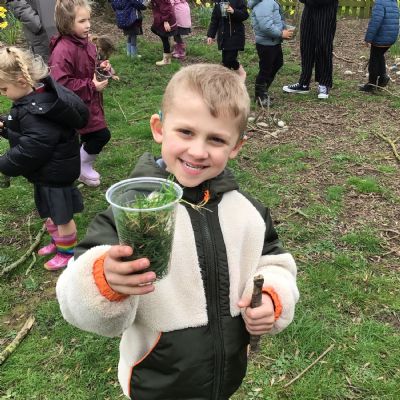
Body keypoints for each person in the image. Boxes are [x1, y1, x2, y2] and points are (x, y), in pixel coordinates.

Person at [56, 64, 299, 399]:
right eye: (186, 132)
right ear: (159, 128)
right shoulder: (132, 211)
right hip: (155, 380)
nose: (198, 151)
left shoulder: (248, 212)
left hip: (225, 376)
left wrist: (271, 296)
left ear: (236, 146)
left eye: (216, 139)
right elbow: (74, 297)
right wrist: (104, 280)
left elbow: (272, 261)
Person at [0, 47, 88, 270]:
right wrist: (6, 127)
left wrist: (5, 163)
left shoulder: (38, 111)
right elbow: (25, 131)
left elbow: (33, 147)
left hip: (56, 174)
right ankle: (57, 242)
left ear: (21, 81)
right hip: (47, 171)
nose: (2, 94)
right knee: (51, 211)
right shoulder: (32, 101)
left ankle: (68, 253)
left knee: (62, 217)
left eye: (3, 89)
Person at [49, 0, 112, 187]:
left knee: (87, 136)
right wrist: (91, 86)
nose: (88, 25)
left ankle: (78, 166)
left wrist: (102, 67)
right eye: (82, 21)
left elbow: (90, 66)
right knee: (101, 135)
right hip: (76, 104)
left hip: (89, 101)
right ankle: (80, 166)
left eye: (89, 20)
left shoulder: (87, 44)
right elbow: (61, 83)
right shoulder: (63, 50)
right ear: (67, 23)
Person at [282, 0, 338, 99]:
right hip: (308, 9)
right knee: (306, 45)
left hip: (326, 9)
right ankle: (303, 83)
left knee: (323, 46)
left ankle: (324, 84)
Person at [249, 0, 294, 106]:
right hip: (266, 43)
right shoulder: (265, 3)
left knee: (277, 63)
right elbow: (265, 26)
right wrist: (281, 33)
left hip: (273, 41)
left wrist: (284, 29)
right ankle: (260, 97)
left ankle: (263, 91)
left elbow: (275, 20)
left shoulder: (269, 2)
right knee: (266, 69)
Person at [359, 0, 399, 92]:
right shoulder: (393, 2)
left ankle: (371, 85)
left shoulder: (380, 2)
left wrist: (368, 38)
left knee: (374, 61)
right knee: (379, 55)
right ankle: (383, 78)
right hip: (391, 37)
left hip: (381, 37)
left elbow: (375, 22)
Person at [207, 0, 248, 80]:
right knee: (225, 61)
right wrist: (210, 35)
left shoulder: (238, 1)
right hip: (223, 36)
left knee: (230, 59)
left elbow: (245, 15)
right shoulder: (218, 2)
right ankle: (226, 81)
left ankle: (241, 72)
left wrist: (234, 11)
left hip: (235, 35)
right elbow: (214, 19)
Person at [150, 0, 178, 66]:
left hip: (166, 20)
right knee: (154, 29)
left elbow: (166, 8)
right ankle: (171, 40)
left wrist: (166, 21)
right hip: (160, 19)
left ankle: (167, 60)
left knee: (164, 37)